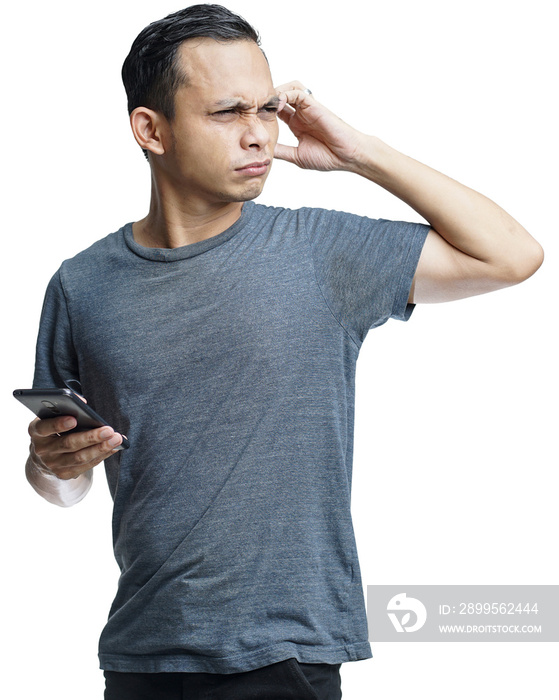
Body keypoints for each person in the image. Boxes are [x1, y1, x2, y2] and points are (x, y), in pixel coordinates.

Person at [24, 4, 543, 699]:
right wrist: (51, 464)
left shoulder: (319, 251)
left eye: (267, 108)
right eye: (227, 111)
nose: (258, 133)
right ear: (151, 129)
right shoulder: (82, 283)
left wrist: (360, 154)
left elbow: (512, 256)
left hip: (287, 657)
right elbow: (62, 481)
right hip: (141, 657)